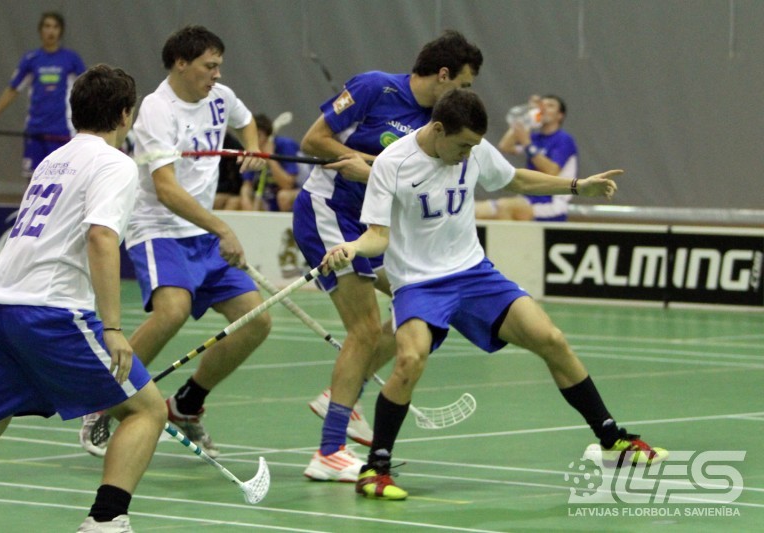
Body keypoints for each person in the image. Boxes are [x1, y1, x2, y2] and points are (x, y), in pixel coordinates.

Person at [321, 88, 668, 500]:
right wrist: (352, 249)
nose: (469, 154)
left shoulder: (474, 149)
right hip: (418, 281)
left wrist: (577, 186)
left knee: (551, 338)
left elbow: (515, 179)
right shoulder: (392, 164)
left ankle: (613, 440)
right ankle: (375, 470)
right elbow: (378, 236)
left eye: (474, 146)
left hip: (473, 273)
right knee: (410, 359)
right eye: (463, 146)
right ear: (438, 129)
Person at [0, 64, 167, 532]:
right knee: (146, 410)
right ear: (125, 114)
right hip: (49, 310)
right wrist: (112, 327)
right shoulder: (114, 164)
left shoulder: (53, 160)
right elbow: (101, 236)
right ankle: (106, 520)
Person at [293, 30, 483, 482]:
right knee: (362, 329)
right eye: (463, 85)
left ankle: (344, 391)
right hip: (330, 210)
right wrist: (362, 161)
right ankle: (329, 451)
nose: (464, 95)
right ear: (443, 74)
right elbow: (313, 140)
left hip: (374, 226)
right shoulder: (375, 87)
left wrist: (379, 170)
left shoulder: (437, 124)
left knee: (415, 304)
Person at [79, 25, 270, 460]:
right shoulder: (156, 110)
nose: (217, 75)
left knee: (255, 320)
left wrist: (253, 149)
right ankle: (102, 400)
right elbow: (165, 189)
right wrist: (223, 228)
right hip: (158, 227)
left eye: (219, 66)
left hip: (201, 230)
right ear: (181, 64)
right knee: (172, 310)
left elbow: (244, 120)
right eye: (209, 66)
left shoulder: (220, 97)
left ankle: (186, 405)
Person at [0, 11, 86, 180]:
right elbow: (12, 90)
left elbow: (88, 91)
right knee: (33, 181)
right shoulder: (31, 59)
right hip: (35, 131)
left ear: (61, 31)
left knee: (62, 182)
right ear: (40, 30)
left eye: (55, 27)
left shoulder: (71, 59)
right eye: (47, 26)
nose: (51, 31)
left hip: (61, 132)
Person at [475, 94, 578, 221]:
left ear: (560, 115)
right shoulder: (535, 138)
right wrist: (527, 117)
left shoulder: (563, 139)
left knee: (504, 207)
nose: (544, 108)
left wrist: (527, 144)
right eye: (542, 105)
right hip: (527, 199)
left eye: (550, 106)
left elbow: (552, 171)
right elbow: (505, 146)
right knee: (476, 210)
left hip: (550, 202)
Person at [238, 113, 301, 211]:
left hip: (295, 193)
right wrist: (246, 201)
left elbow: (288, 185)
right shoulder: (252, 148)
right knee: (238, 201)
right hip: (267, 199)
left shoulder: (285, 145)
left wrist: (270, 157)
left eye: (258, 136)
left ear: (267, 136)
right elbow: (247, 185)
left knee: (283, 196)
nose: (255, 141)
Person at [214, 131, 245, 210]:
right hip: (207, 187)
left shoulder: (233, 146)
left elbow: (235, 180)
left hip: (226, 191)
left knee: (231, 202)